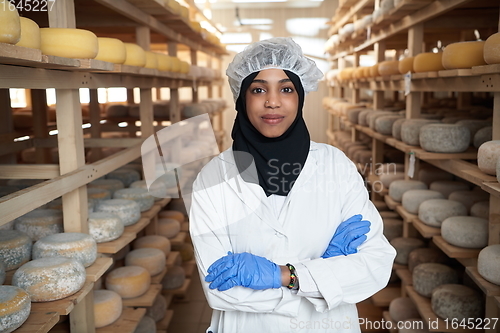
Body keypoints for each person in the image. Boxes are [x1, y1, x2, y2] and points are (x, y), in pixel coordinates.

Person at [188, 37, 396, 333]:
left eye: (286, 89)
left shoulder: (335, 166)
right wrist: (324, 278)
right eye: (258, 89)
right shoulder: (213, 178)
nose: (272, 101)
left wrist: (286, 275)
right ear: (241, 99)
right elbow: (219, 290)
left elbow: (376, 264)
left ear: (300, 96)